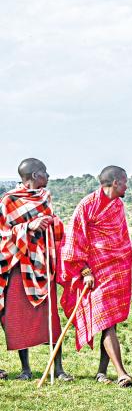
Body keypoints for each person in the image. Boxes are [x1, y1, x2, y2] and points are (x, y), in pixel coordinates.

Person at [61, 165, 132, 387]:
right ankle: (122, 373)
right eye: (124, 181)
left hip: (116, 270)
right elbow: (75, 239)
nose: (127, 185)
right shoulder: (88, 205)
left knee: (110, 321)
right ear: (115, 182)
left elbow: (120, 239)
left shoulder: (118, 205)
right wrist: (84, 271)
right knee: (107, 321)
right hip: (94, 273)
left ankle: (102, 372)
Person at [0, 158, 69, 381]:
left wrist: (53, 224)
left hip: (42, 264)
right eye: (44, 173)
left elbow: (55, 228)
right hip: (19, 265)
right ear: (34, 176)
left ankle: (58, 369)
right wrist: (28, 226)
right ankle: (25, 370)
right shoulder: (9, 201)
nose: (48, 177)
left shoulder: (45, 197)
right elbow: (3, 234)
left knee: (51, 318)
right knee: (19, 317)